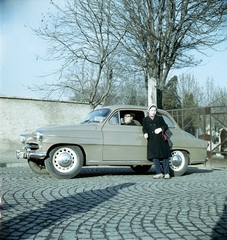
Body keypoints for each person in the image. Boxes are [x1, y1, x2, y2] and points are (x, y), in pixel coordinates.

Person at [142, 104, 172, 179]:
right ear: (148, 111)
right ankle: (159, 173)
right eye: (152, 110)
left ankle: (167, 173)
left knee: (164, 157)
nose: (153, 112)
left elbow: (165, 126)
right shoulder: (145, 120)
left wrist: (160, 129)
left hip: (161, 140)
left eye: (154, 110)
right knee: (155, 157)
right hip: (152, 140)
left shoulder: (160, 118)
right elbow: (144, 128)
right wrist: (145, 133)